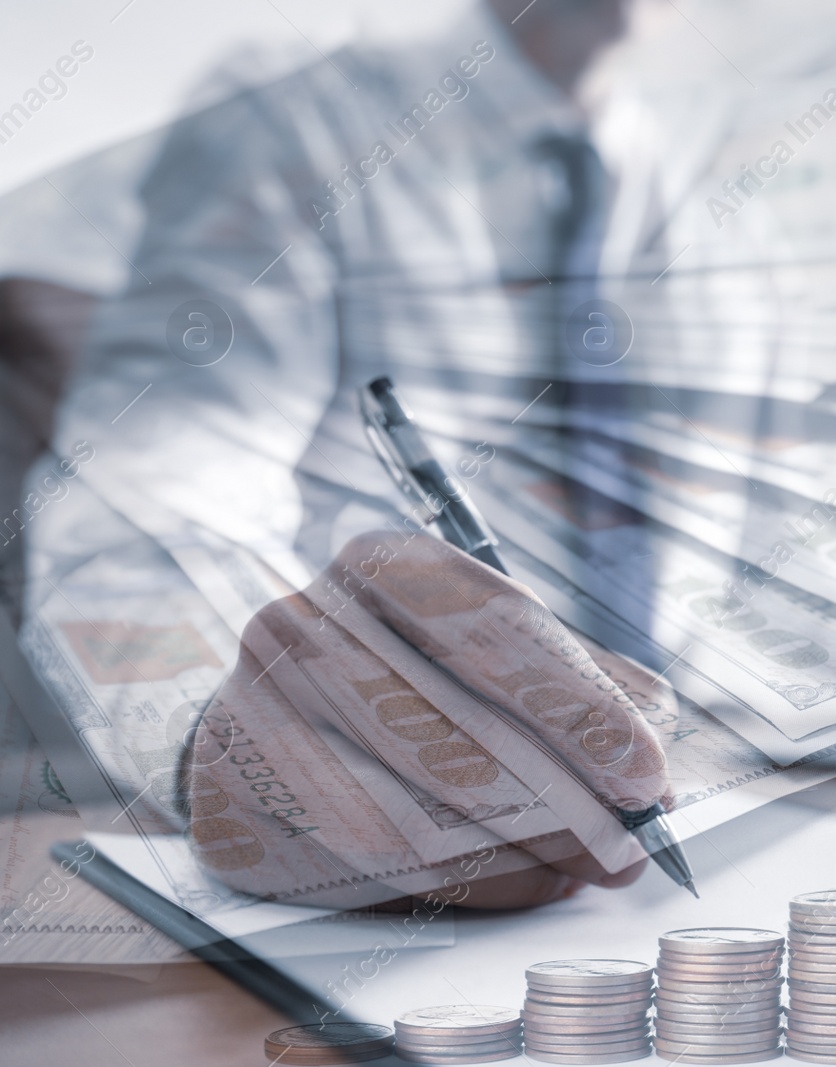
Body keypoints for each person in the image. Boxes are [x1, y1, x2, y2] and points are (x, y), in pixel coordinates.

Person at [17, 0, 658, 911]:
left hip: (690, 806)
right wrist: (228, 745)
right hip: (406, 836)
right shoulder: (299, 112)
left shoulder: (699, 173)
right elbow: (150, 480)